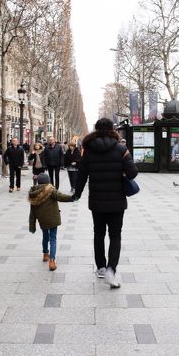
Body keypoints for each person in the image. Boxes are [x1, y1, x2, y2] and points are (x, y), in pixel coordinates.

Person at [74, 118, 138, 289]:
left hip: (96, 201)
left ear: (96, 129)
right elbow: (132, 173)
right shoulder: (121, 149)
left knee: (98, 233)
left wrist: (77, 194)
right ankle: (111, 269)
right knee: (115, 235)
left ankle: (101, 267)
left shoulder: (88, 150)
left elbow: (81, 175)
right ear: (112, 129)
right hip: (117, 202)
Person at [29, 172, 73, 271]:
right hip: (52, 218)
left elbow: (32, 212)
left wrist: (32, 225)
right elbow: (61, 197)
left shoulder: (34, 193)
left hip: (42, 219)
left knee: (45, 236)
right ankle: (52, 261)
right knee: (53, 238)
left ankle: (45, 254)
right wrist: (72, 198)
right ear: (48, 181)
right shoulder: (51, 190)